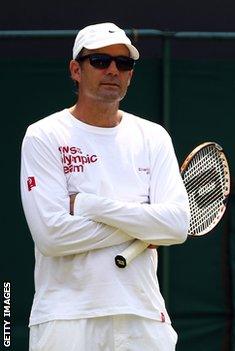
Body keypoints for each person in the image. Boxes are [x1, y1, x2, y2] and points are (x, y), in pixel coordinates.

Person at [20, 22, 190, 350]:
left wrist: (88, 205)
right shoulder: (43, 135)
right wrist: (144, 224)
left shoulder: (153, 137)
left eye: (123, 64)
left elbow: (178, 225)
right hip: (65, 317)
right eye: (100, 61)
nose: (112, 70)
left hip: (143, 316)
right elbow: (51, 236)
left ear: (130, 74)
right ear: (76, 69)